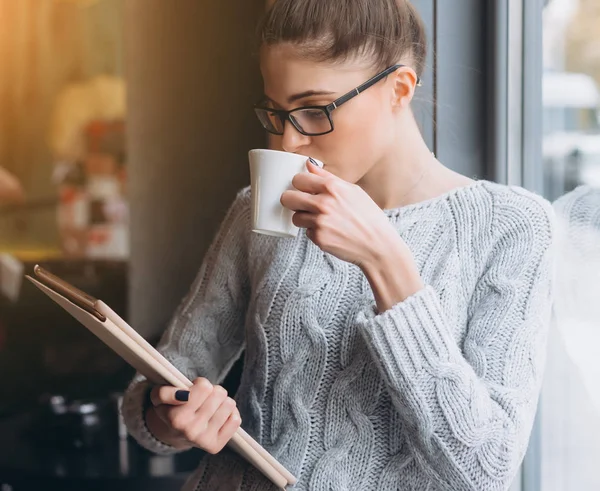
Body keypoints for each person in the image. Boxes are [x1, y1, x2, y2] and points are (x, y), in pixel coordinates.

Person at [122, 1, 555, 489]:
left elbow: (486, 468)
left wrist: (385, 261)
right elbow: (155, 396)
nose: (288, 142)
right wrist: (173, 420)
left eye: (313, 110)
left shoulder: (512, 226)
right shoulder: (260, 208)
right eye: (278, 112)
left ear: (398, 89)